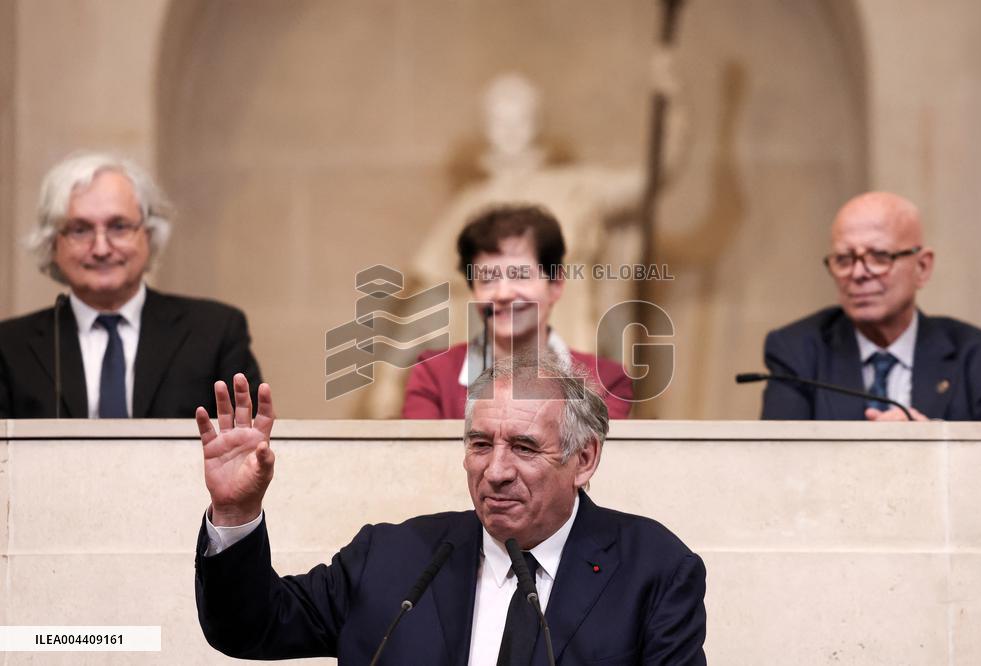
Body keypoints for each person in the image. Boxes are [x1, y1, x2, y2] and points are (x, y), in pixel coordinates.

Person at [195, 357, 707, 664]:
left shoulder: (653, 570)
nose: (496, 470)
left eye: (525, 448)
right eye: (480, 444)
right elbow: (249, 628)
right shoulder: (390, 558)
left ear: (585, 458)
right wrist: (235, 512)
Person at [0, 151, 262, 418]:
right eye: (80, 229)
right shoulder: (9, 347)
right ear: (53, 244)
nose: (101, 248)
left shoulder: (215, 331)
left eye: (119, 226)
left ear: (148, 235)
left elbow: (248, 445)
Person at [761, 191, 981, 421]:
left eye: (879, 257)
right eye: (844, 260)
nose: (858, 273)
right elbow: (780, 457)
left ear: (922, 267)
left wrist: (929, 444)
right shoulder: (797, 351)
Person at [402, 204, 634, 419]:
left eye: (520, 276)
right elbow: (422, 460)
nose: (503, 294)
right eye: (488, 280)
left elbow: (593, 461)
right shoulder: (433, 373)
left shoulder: (607, 381)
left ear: (556, 285)